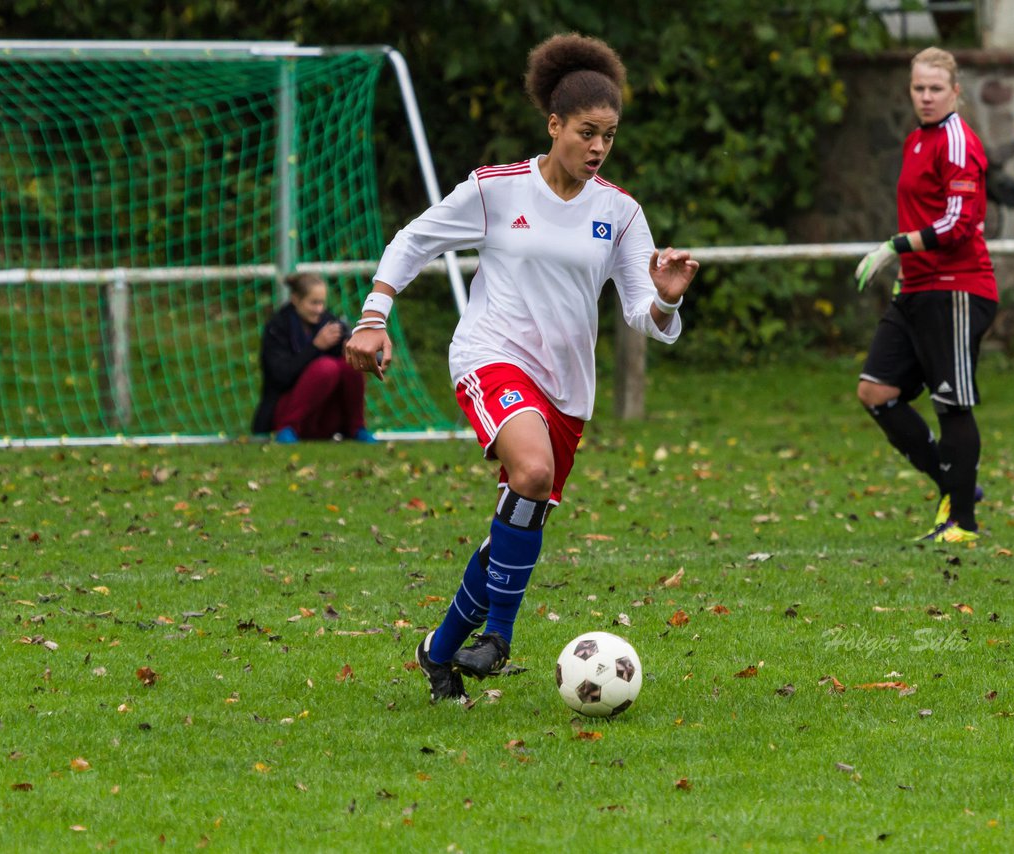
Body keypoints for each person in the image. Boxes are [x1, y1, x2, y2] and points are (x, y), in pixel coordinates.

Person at [345, 33, 698, 703]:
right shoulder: (497, 190)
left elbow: (641, 316)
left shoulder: (620, 214)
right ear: (554, 124)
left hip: (568, 390)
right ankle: (499, 637)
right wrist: (372, 317)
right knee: (531, 474)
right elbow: (412, 240)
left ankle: (440, 650)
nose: (598, 148)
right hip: (491, 355)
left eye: (610, 137)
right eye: (587, 133)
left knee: (520, 512)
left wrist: (667, 299)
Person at [853, 46, 998, 544]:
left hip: (956, 288)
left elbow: (960, 224)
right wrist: (902, 270)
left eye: (937, 88)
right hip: (915, 288)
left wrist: (896, 246)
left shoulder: (958, 142)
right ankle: (956, 487)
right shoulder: (917, 140)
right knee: (876, 392)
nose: (927, 96)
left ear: (955, 91)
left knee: (951, 404)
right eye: (919, 88)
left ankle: (963, 523)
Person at [252, 272, 377, 443]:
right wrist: (315, 347)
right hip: (284, 409)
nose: (319, 309)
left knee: (349, 365)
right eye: (313, 303)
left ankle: (356, 429)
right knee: (326, 368)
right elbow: (279, 377)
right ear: (296, 300)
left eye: (322, 303)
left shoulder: (328, 321)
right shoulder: (277, 326)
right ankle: (287, 429)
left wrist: (359, 351)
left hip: (322, 417)